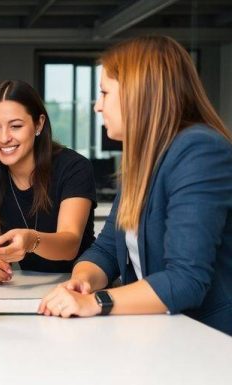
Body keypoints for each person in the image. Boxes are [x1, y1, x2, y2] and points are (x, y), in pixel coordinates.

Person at [38, 36, 232, 336]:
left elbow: (185, 280)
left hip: (210, 339)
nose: (97, 106)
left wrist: (96, 301)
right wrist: (83, 280)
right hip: (164, 334)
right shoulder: (143, 159)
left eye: (104, 93)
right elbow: (105, 249)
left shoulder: (199, 150)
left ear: (138, 93)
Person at [0, 80, 96, 283]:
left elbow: (70, 244)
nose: (3, 138)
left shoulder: (73, 167)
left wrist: (31, 240)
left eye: (16, 126)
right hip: (30, 286)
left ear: (39, 124)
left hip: (82, 282)